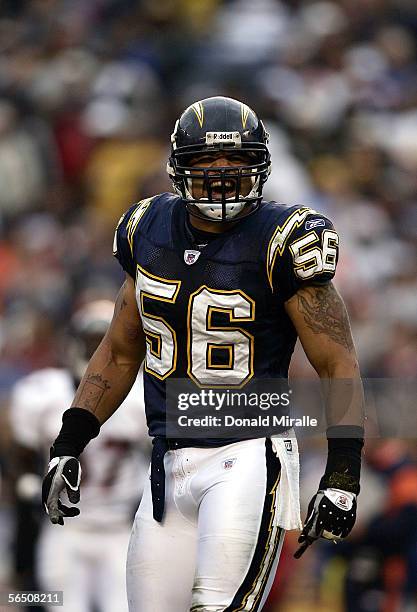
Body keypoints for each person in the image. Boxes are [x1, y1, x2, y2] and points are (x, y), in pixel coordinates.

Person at [42, 96, 364, 612]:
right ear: (178, 168)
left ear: (259, 165)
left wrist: (344, 474)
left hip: (247, 452)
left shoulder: (286, 239)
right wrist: (69, 441)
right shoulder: (146, 228)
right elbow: (121, 351)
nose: (219, 177)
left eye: (234, 163)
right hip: (167, 463)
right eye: (205, 164)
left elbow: (337, 362)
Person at [10, 300, 149, 612]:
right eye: (91, 341)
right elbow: (20, 451)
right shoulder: (43, 392)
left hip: (120, 527)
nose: (97, 350)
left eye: (103, 341)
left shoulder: (140, 396)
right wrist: (28, 484)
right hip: (64, 529)